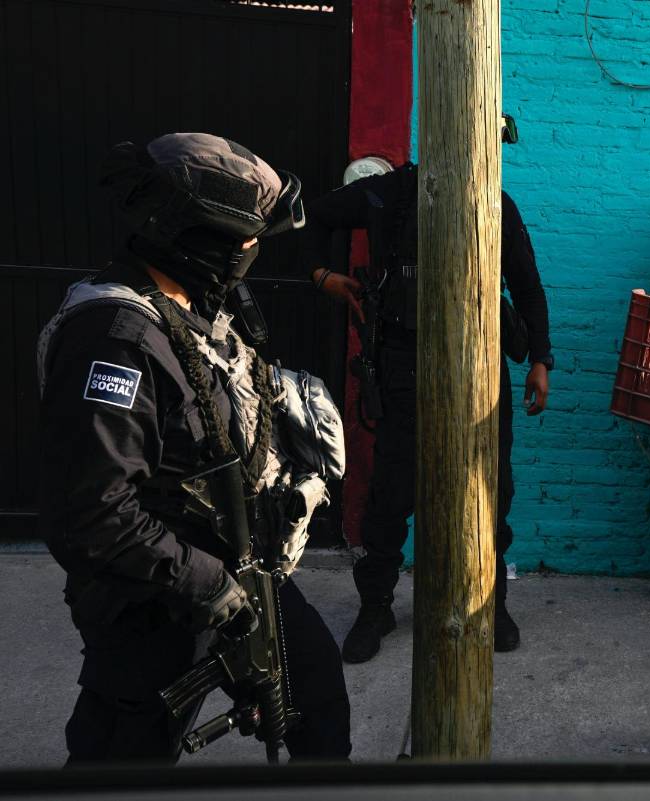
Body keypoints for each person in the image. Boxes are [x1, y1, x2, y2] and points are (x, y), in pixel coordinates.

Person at [36, 133, 351, 763]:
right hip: (155, 603)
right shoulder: (115, 338)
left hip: (244, 574)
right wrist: (208, 584)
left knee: (317, 703)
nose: (251, 252)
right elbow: (94, 514)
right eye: (242, 240)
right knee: (122, 758)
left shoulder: (201, 307)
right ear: (196, 240)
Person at [302, 162, 553, 660]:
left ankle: (492, 603)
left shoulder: (493, 201)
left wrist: (541, 360)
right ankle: (375, 606)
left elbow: (526, 284)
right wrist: (322, 274)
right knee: (393, 492)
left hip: (481, 365)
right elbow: (309, 215)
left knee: (490, 488)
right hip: (404, 363)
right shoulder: (386, 194)